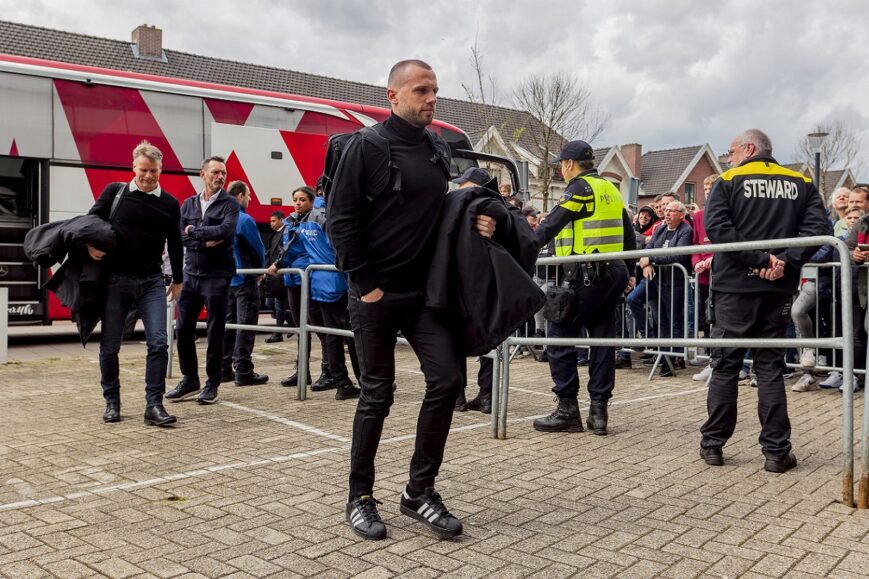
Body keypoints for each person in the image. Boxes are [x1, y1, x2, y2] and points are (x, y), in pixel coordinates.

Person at [328, 59, 494, 541]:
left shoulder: (438, 148)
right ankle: (359, 496)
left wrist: (481, 219)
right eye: (421, 90)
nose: (431, 99)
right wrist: (366, 284)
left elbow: (441, 208)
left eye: (435, 90)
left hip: (424, 295)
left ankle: (418, 492)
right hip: (375, 295)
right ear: (393, 96)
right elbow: (341, 221)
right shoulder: (365, 148)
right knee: (378, 394)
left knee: (447, 380)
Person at [699, 129, 829, 473]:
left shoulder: (728, 181)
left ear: (749, 149)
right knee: (769, 366)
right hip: (778, 288)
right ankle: (776, 452)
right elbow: (817, 229)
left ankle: (713, 445)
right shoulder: (800, 182)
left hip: (734, 286)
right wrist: (784, 261)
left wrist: (759, 259)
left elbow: (718, 229)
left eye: (731, 152)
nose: (728, 158)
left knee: (725, 365)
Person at [530, 139, 636, 436]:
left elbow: (550, 225)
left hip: (585, 274)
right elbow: (628, 235)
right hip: (612, 271)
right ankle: (599, 412)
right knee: (602, 338)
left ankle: (567, 410)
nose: (561, 171)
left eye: (561, 166)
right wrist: (629, 271)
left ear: (568, 164)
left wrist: (522, 247)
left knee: (559, 334)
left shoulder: (579, 188)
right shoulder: (611, 190)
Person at [87, 140, 183, 426]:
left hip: (152, 281)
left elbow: (176, 243)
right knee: (110, 345)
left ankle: (154, 405)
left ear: (160, 169)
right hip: (116, 281)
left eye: (154, 170)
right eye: (143, 170)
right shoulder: (115, 193)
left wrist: (177, 279)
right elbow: (90, 220)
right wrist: (90, 246)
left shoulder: (169, 203)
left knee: (159, 343)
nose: (148, 176)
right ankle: (112, 402)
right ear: (134, 168)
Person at [165, 156, 239, 406]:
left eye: (224, 173)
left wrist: (193, 232)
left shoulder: (230, 205)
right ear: (203, 174)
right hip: (190, 277)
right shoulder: (188, 204)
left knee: (215, 331)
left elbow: (225, 231)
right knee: (183, 328)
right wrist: (201, 239)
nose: (220, 177)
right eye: (216, 172)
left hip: (217, 277)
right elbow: (179, 237)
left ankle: (212, 383)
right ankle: (190, 379)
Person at [291, 185, 362, 400]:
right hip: (337, 281)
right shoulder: (327, 215)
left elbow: (294, 250)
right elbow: (341, 246)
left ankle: (342, 382)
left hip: (318, 282)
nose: (297, 203)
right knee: (353, 334)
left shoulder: (302, 221)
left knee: (331, 334)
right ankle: (365, 382)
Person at [221, 180, 268, 386]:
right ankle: (244, 370)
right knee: (246, 324)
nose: (249, 199)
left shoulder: (220, 216)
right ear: (240, 196)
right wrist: (261, 270)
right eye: (248, 195)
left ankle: (223, 369)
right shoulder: (244, 219)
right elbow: (257, 248)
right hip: (245, 278)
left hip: (227, 278)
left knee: (228, 325)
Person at [690, 174, 719, 382]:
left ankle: (722, 362)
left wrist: (713, 259)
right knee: (707, 320)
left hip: (721, 274)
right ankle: (710, 360)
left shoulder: (726, 213)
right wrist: (697, 263)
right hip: (703, 277)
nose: (708, 191)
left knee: (721, 320)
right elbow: (695, 244)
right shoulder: (698, 216)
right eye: (705, 188)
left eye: (712, 187)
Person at [265, 210, 289, 343]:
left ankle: (278, 333)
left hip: (280, 273)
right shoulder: (274, 235)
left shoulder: (285, 233)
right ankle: (291, 321)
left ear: (281, 220)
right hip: (272, 274)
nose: (271, 224)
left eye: (273, 221)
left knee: (279, 304)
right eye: (270, 221)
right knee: (269, 303)